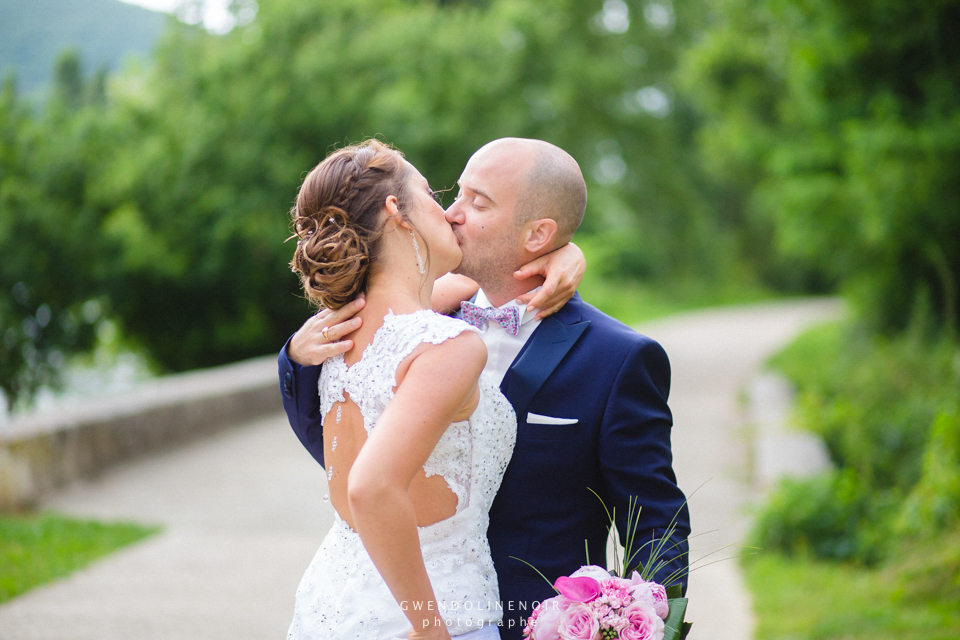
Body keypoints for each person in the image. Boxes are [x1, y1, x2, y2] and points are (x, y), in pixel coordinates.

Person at [279, 138, 690, 640]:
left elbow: (654, 519)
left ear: (540, 233)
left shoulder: (617, 359)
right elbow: (349, 462)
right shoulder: (415, 324)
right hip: (403, 612)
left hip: (537, 623)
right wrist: (296, 357)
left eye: (478, 202)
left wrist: (647, 626)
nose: (451, 214)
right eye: (453, 196)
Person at [284, 139, 517, 640]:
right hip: (433, 616)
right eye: (433, 194)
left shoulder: (342, 334)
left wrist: (562, 253)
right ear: (398, 211)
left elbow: (463, 294)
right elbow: (370, 487)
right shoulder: (448, 344)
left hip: (328, 608)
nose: (450, 211)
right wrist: (429, 628)